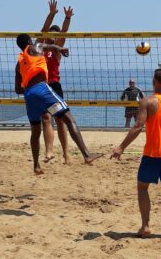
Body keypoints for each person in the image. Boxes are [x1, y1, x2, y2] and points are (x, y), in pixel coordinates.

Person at [111, 69, 161, 239]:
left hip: (152, 154)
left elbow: (137, 127)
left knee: (142, 188)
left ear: (154, 81)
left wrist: (121, 147)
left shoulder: (147, 102)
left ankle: (145, 226)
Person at [15, 33, 103, 174]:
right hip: (41, 89)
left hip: (29, 95)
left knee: (35, 131)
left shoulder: (19, 63)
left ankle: (36, 166)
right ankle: (87, 155)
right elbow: (48, 46)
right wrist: (60, 48)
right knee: (68, 118)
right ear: (29, 41)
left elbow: (18, 89)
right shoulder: (35, 47)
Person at [39, 0, 73, 164]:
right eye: (50, 33)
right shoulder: (39, 46)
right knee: (46, 118)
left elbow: (64, 33)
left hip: (54, 85)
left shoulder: (58, 47)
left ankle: (66, 154)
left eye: (55, 33)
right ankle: (49, 151)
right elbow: (44, 29)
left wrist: (67, 18)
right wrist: (51, 14)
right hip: (42, 85)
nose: (52, 35)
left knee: (60, 120)